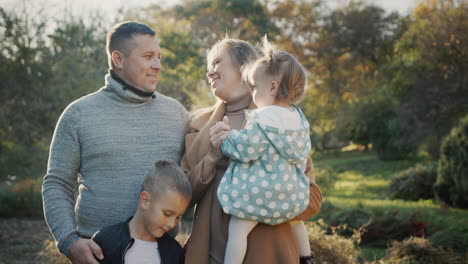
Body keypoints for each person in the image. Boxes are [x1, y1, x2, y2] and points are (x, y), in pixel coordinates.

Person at [42, 21, 188, 264]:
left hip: (163, 255)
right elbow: (56, 184)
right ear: (118, 59)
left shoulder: (177, 114)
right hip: (97, 254)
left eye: (159, 57)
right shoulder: (78, 114)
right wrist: (69, 241)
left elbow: (195, 179)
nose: (158, 66)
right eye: (148, 56)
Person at [181, 37, 322, 264]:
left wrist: (266, 198)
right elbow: (182, 195)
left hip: (272, 255)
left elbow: (312, 199)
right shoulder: (196, 124)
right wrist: (212, 157)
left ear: (245, 67)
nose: (210, 73)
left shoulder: (281, 123)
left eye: (217, 62)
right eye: (208, 68)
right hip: (209, 254)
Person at [92, 161, 191, 264]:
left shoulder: (174, 252)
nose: (172, 224)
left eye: (178, 217)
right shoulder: (106, 241)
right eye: (167, 214)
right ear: (145, 200)